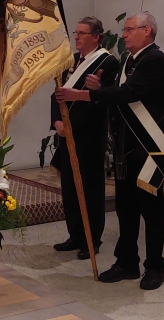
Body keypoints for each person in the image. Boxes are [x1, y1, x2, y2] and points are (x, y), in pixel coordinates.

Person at [56, 12, 164, 290]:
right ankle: (127, 262)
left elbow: (130, 94)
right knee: (126, 209)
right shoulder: (129, 59)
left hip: (147, 149)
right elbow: (118, 93)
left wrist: (84, 94)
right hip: (125, 149)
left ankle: (155, 266)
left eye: (129, 29)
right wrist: (99, 87)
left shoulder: (156, 60)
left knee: (151, 211)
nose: (124, 34)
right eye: (124, 30)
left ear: (147, 31)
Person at [50, 17, 119, 260]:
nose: (77, 37)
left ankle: (92, 240)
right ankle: (76, 235)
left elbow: (101, 102)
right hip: (66, 133)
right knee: (69, 187)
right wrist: (57, 122)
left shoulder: (107, 62)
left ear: (96, 37)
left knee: (90, 189)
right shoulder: (71, 62)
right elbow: (57, 95)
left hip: (89, 136)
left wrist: (71, 126)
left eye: (82, 33)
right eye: (76, 33)